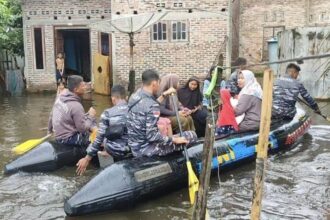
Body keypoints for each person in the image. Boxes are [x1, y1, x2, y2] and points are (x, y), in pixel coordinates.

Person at [127, 69, 197, 157]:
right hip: (145, 149)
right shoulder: (152, 106)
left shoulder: (135, 96)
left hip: (134, 144)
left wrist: (164, 95)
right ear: (154, 83)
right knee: (191, 135)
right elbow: (152, 136)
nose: (159, 86)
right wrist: (174, 140)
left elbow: (149, 105)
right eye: (159, 83)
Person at [76, 85, 130, 175]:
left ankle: (106, 164)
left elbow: (99, 137)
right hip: (130, 150)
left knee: (102, 138)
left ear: (113, 99)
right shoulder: (135, 111)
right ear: (126, 97)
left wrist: (87, 158)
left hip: (115, 151)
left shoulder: (107, 113)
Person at [48, 75, 96, 146]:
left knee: (87, 118)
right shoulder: (76, 106)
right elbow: (82, 129)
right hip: (67, 139)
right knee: (96, 138)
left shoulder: (60, 96)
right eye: (83, 86)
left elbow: (51, 115)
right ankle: (92, 156)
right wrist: (91, 116)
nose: (85, 87)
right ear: (76, 90)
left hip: (58, 135)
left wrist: (49, 130)